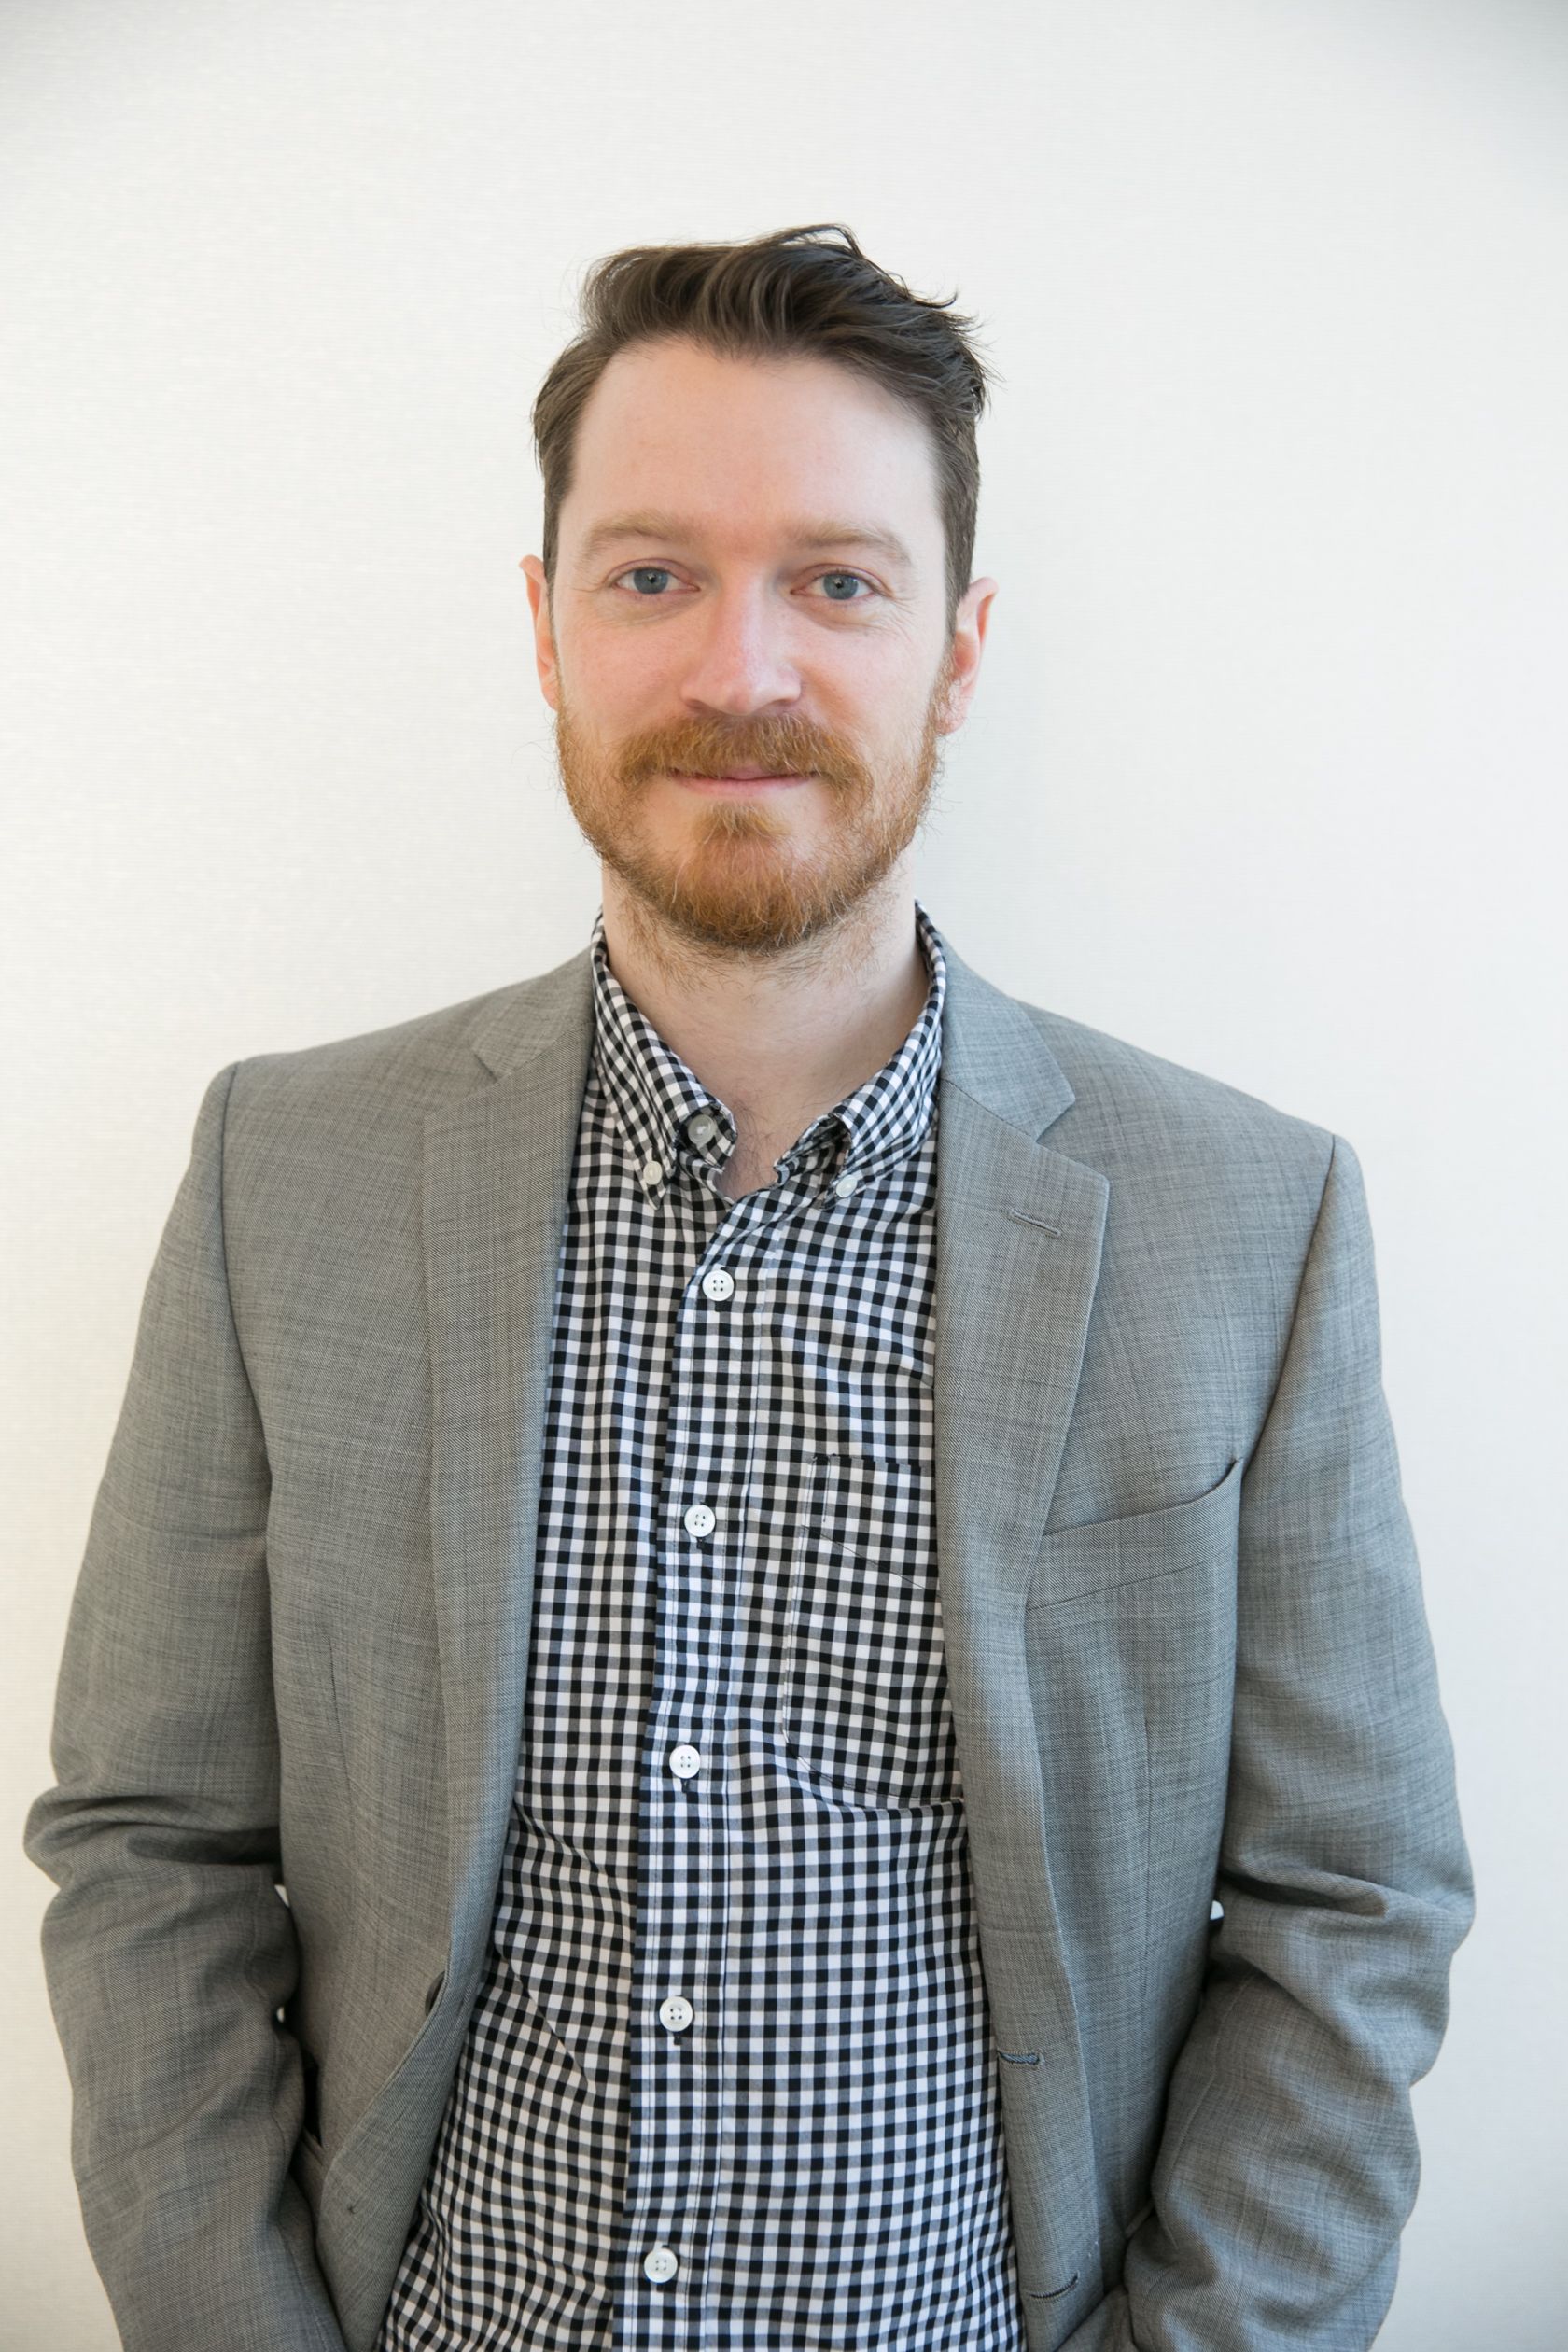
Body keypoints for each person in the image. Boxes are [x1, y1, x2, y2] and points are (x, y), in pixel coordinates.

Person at [25, 222, 1473, 2352]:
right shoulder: (287, 1171)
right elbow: (150, 1840)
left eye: (839, 579)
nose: (744, 670)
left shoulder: (1247, 1223)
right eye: (651, 574)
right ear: (541, 627)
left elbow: (1357, 1903)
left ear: (961, 649)